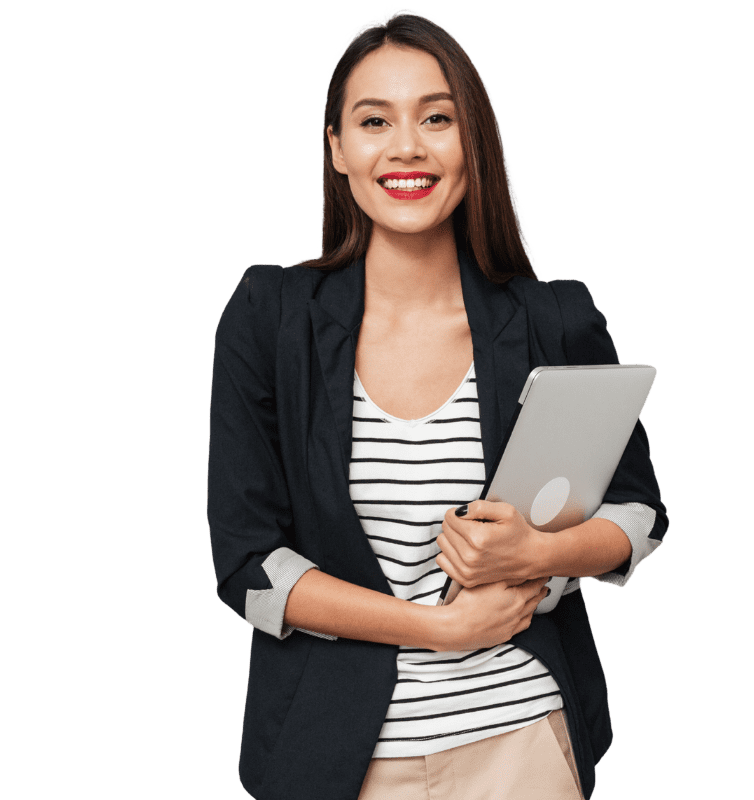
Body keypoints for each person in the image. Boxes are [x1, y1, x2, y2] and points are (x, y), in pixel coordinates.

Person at [206, 9, 668, 800]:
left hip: (522, 742)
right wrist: (439, 629)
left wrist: (541, 554)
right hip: (337, 757)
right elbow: (251, 566)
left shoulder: (553, 318)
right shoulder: (270, 316)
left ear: (472, 141)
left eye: (437, 117)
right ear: (338, 149)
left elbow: (638, 515)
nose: (407, 147)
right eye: (374, 120)